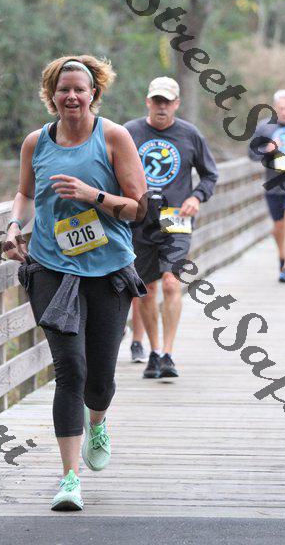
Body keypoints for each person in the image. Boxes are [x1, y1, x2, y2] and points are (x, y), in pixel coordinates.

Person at [3, 55, 147, 511]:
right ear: (51, 95)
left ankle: (97, 422)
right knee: (71, 369)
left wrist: (93, 196)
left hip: (107, 271)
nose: (71, 96)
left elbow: (138, 207)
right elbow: (25, 193)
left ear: (93, 94)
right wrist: (14, 226)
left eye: (79, 89)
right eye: (62, 89)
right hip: (51, 267)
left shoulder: (113, 137)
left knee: (99, 380)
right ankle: (69, 479)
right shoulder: (36, 142)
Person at [124, 76, 218, 378]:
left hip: (176, 220)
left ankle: (168, 353)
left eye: (167, 102)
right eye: (157, 101)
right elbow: (111, 170)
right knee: (147, 289)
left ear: (176, 103)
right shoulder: (129, 132)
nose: (161, 107)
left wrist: (196, 197)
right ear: (148, 101)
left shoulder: (190, 135)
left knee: (171, 283)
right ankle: (153, 352)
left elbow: (210, 175)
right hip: (140, 220)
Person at [248, 89, 285, 283]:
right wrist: (267, 150)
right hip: (274, 185)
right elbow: (251, 154)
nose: (284, 112)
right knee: (278, 227)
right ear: (275, 108)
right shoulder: (264, 127)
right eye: (281, 108)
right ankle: (282, 258)